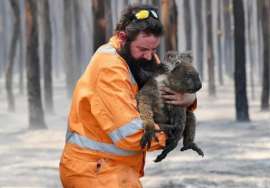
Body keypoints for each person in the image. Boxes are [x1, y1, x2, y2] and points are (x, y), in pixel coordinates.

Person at [59, 4, 197, 188]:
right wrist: (173, 133)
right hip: (93, 172)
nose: (150, 56)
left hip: (118, 170)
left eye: (154, 50)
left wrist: (190, 100)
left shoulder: (140, 57)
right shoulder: (109, 68)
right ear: (123, 37)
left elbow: (169, 94)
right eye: (143, 49)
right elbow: (131, 134)